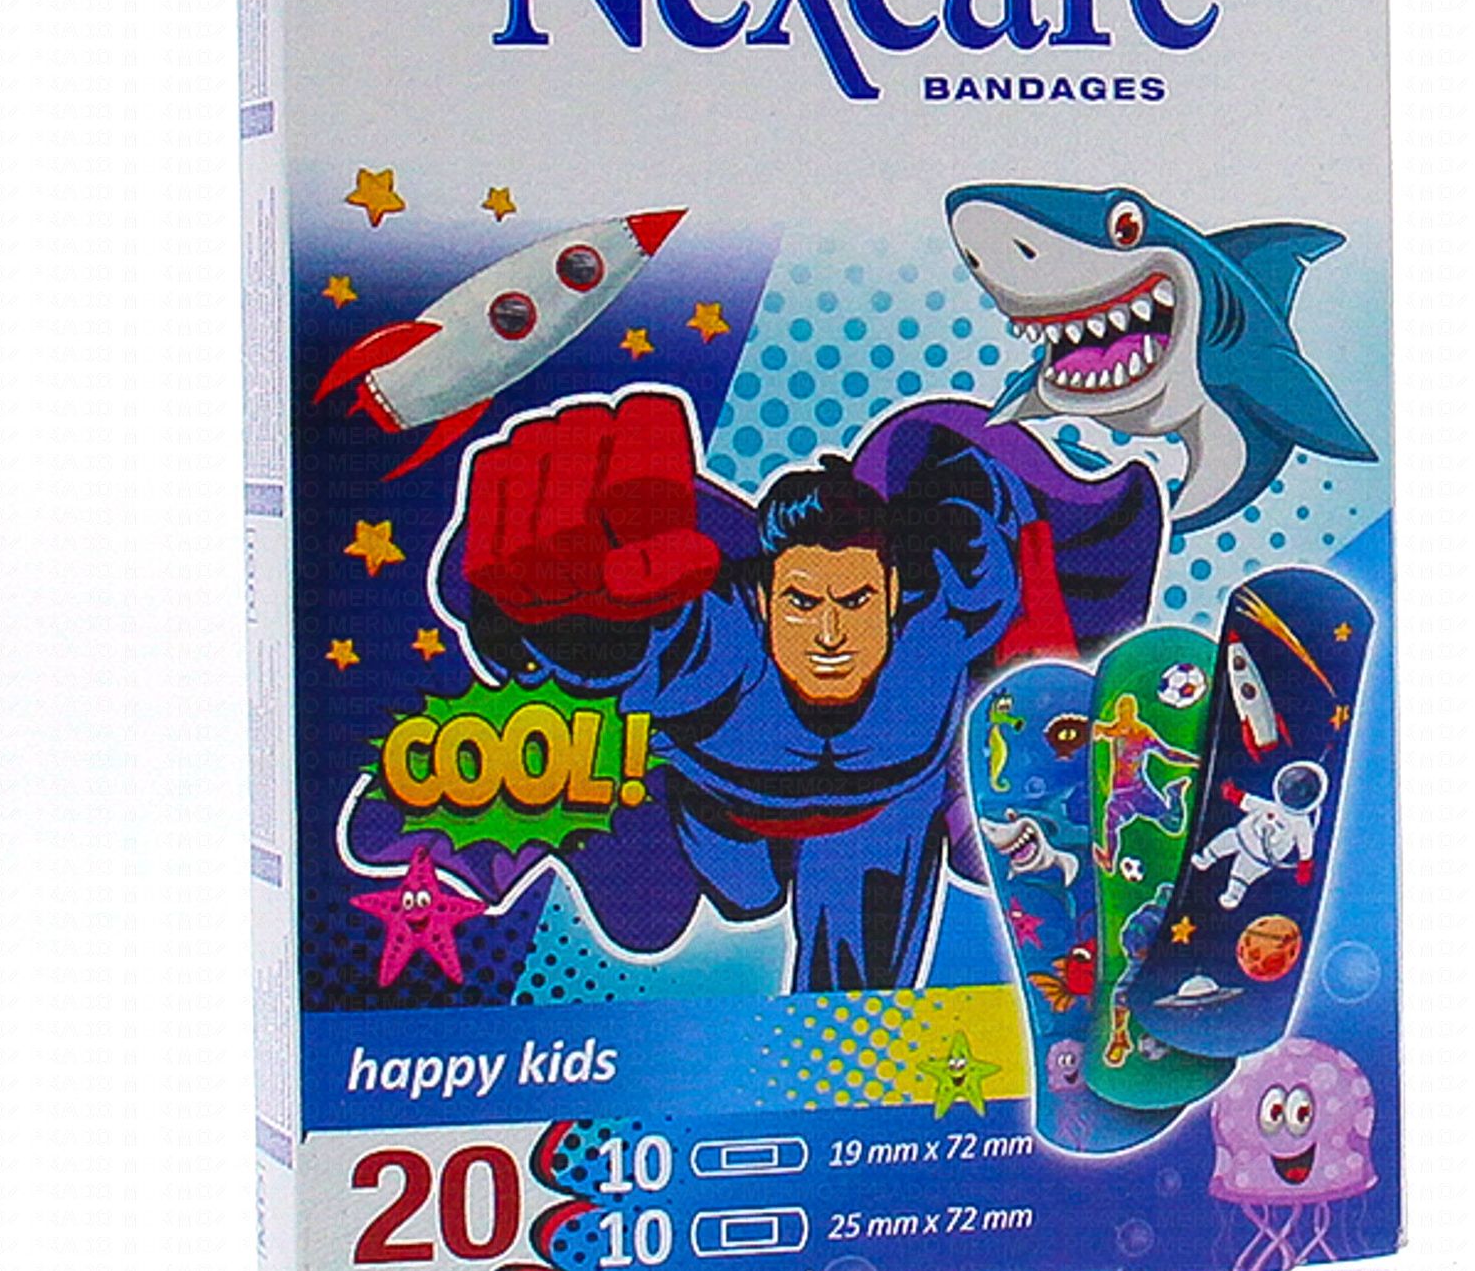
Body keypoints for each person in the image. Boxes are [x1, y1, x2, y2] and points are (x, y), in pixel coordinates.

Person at [459, 389, 1121, 990]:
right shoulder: (723, 645)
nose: (830, 634)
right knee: (723, 899)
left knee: (852, 991)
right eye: (803, 603)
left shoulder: (947, 616)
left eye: (855, 601)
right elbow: (637, 645)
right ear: (765, 596)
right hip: (727, 823)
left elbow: (992, 514)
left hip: (878, 824)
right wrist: (557, 614)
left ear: (894, 591)